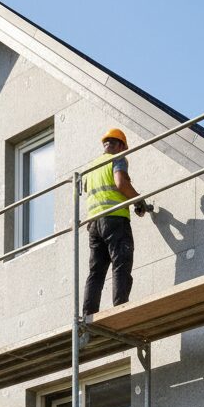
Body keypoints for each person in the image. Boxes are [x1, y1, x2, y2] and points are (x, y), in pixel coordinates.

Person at [81, 127, 146, 317]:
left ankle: (88, 316)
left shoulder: (91, 168)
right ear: (119, 145)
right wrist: (139, 200)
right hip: (115, 219)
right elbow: (121, 183)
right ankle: (121, 309)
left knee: (96, 272)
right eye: (124, 148)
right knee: (121, 262)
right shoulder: (117, 159)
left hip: (94, 225)